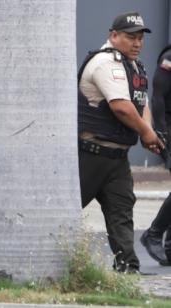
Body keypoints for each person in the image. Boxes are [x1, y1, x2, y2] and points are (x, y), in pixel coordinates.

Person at [77, 12, 163, 273]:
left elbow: (140, 103)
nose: (137, 43)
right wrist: (147, 134)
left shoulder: (134, 65)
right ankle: (34, 261)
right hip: (89, 155)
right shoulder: (105, 62)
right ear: (113, 35)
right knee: (63, 213)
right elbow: (122, 108)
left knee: (122, 212)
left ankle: (128, 271)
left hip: (117, 158)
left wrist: (148, 131)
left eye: (140, 38)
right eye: (130, 37)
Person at [140, 44, 171, 266]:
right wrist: (161, 133)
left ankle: (168, 247)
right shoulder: (169, 58)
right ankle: (153, 233)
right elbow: (158, 96)